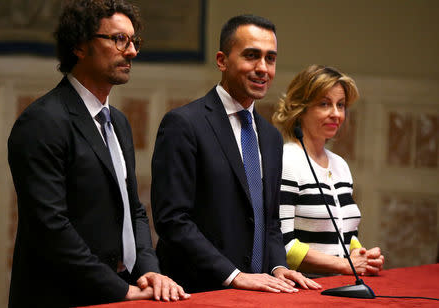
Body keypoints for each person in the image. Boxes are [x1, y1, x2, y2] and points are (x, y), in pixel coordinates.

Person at [7, 1, 189, 307]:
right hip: (62, 295)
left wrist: (149, 271)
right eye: (119, 39)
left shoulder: (117, 121)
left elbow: (134, 210)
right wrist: (121, 290)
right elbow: (50, 227)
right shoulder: (42, 121)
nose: (131, 52)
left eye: (134, 41)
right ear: (79, 46)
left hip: (119, 291)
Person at [151, 15, 321, 294]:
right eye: (251, 56)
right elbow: (172, 220)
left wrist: (279, 267)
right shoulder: (184, 124)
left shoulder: (270, 137)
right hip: (196, 290)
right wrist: (233, 275)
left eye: (270, 58)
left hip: (259, 291)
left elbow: (271, 222)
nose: (262, 68)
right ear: (222, 60)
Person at [272, 64, 385, 277]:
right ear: (300, 108)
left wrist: (362, 256)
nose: (336, 114)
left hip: (339, 286)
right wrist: (345, 265)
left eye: (340, 105)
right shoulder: (287, 161)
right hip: (302, 289)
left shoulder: (340, 165)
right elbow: (283, 246)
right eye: (324, 104)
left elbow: (343, 233)